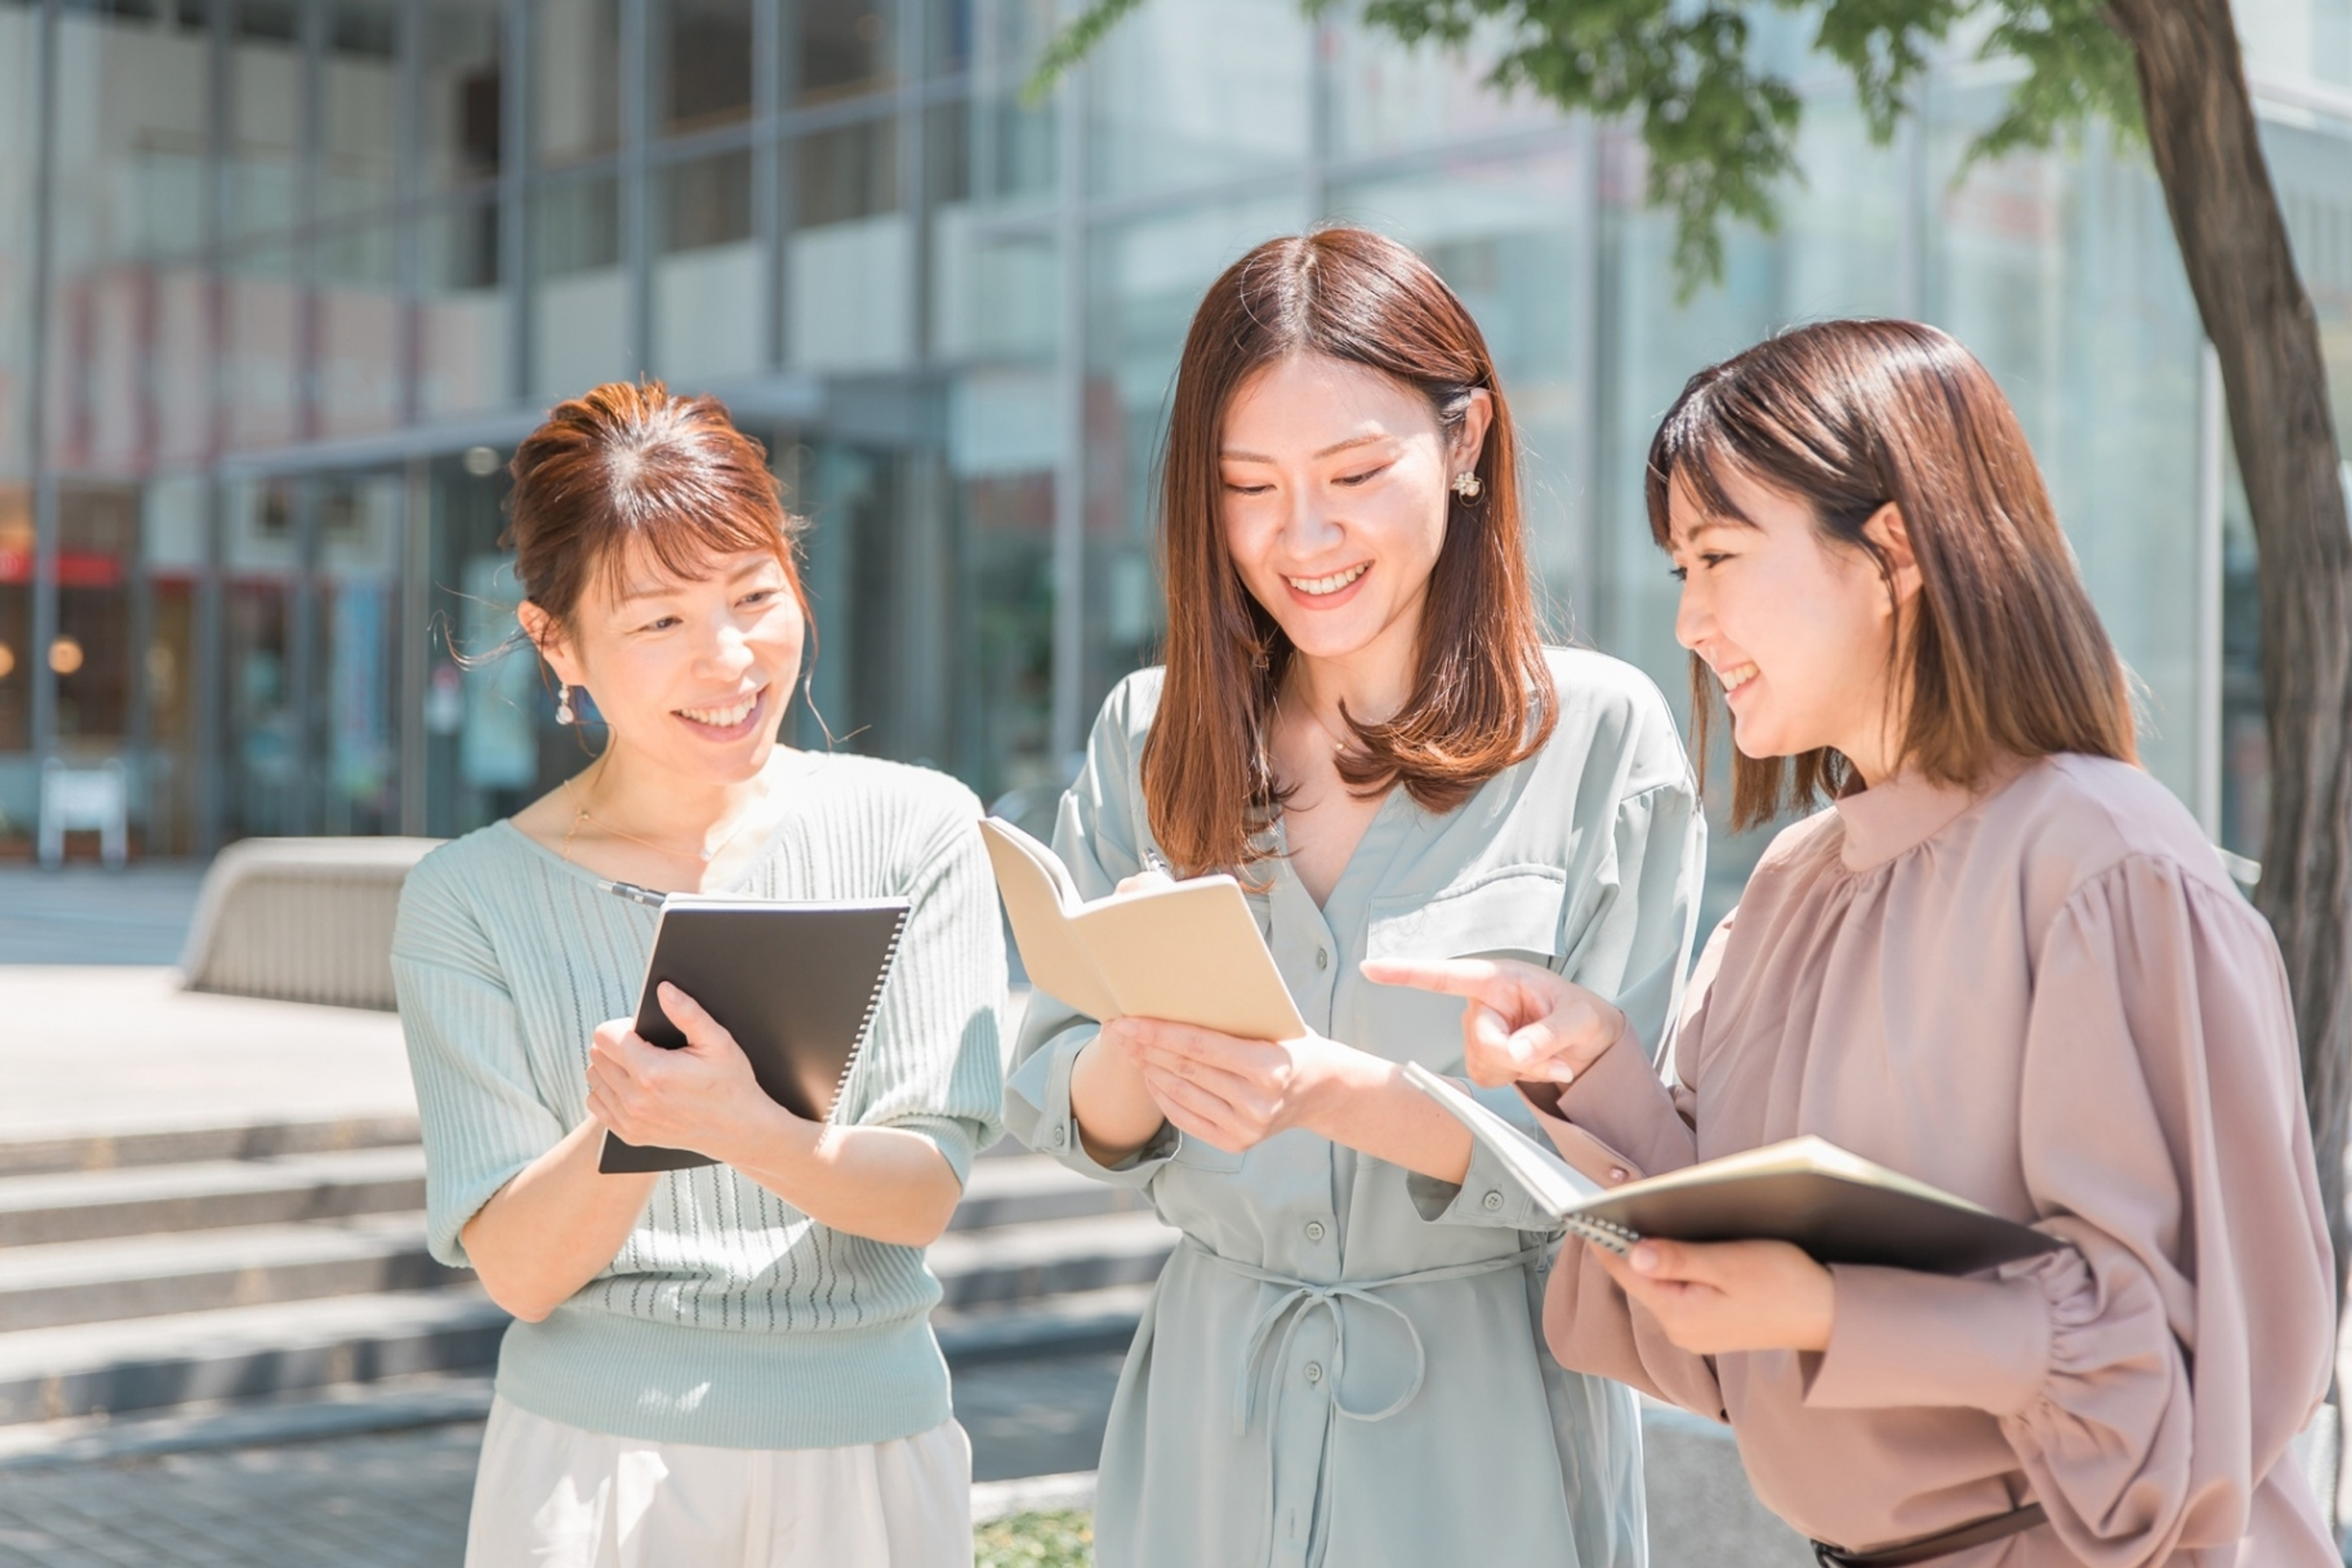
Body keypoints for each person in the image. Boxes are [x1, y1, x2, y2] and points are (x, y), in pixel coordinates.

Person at [1370, 319, 2337, 1566]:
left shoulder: (2106, 864)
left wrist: (1831, 1305)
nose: (1691, 621)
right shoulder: (1795, 883)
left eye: (1718, 555)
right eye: (1679, 569)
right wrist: (1593, 1063)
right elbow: (1730, 1279)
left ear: (1892, 551)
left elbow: (2191, 1366)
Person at [1003, 227, 1705, 1568]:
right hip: (1209, 1425)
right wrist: (1138, 1057)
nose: (1301, 536)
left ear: (1467, 443)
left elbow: (1636, 1165)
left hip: (1488, 1429)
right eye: (1248, 485)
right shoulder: (1148, 735)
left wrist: (1329, 1092)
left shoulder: (1600, 738)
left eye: (1353, 473)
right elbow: (1061, 1100)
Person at [390, 382, 1005, 1568]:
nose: (730, 658)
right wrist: (641, 1123)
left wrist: (743, 1124)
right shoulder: (469, 898)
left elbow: (926, 1186)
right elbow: (518, 1269)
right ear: (552, 640)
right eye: (658, 621)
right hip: (594, 1475)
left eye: (755, 595)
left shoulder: (918, 828)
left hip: (869, 1460)